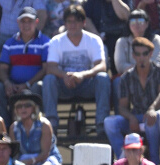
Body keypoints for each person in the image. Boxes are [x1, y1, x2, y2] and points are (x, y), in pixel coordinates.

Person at [42, 5, 111, 137]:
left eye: (76, 21)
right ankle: (52, 125)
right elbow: (50, 67)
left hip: (86, 84)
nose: (72, 25)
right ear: (65, 23)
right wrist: (65, 76)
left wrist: (82, 75)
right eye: (69, 21)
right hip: (64, 84)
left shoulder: (94, 40)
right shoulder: (56, 41)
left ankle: (101, 125)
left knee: (103, 78)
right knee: (48, 79)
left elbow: (102, 66)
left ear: (83, 23)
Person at [105, 37, 160, 165]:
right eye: (137, 54)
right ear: (133, 56)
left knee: (152, 121)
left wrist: (152, 108)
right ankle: (123, 162)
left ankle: (154, 164)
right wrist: (131, 117)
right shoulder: (126, 77)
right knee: (110, 123)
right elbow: (122, 107)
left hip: (154, 116)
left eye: (145, 54)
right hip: (136, 117)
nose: (141, 57)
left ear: (150, 54)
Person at [0, 7, 49, 122]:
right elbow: (2, 68)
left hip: (33, 85)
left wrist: (27, 84)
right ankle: (5, 128)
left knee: (39, 86)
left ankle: (35, 124)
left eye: (30, 21)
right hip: (13, 86)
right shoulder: (9, 43)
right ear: (18, 22)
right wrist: (7, 83)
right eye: (23, 21)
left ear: (36, 22)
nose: (26, 25)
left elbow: (46, 69)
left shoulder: (45, 42)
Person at [9, 90, 61, 165]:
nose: (23, 109)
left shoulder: (44, 125)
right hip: (25, 161)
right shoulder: (14, 128)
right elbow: (15, 153)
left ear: (34, 108)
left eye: (27, 105)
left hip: (48, 160)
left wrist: (31, 161)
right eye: (19, 106)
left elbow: (45, 153)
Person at [113, 9, 160, 76]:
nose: (136, 24)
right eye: (133, 22)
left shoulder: (156, 40)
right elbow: (120, 66)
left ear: (147, 24)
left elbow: (156, 63)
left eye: (140, 21)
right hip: (128, 77)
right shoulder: (121, 42)